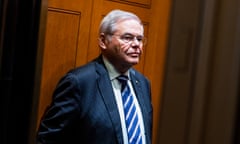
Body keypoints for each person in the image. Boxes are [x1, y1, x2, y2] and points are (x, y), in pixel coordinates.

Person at [36, 9, 153, 144]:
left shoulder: (143, 83)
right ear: (103, 41)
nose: (136, 44)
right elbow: (48, 139)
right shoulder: (79, 82)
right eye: (127, 38)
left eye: (139, 39)